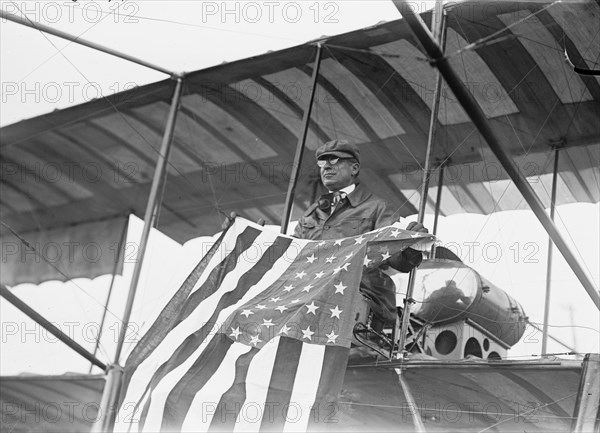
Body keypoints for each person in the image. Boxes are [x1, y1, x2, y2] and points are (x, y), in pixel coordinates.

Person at [293, 139, 428, 328]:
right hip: (308, 302)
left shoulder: (377, 208)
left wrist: (410, 247)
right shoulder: (310, 215)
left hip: (358, 307)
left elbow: (396, 258)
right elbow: (290, 258)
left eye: (334, 161)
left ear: (354, 168)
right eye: (322, 163)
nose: (326, 167)